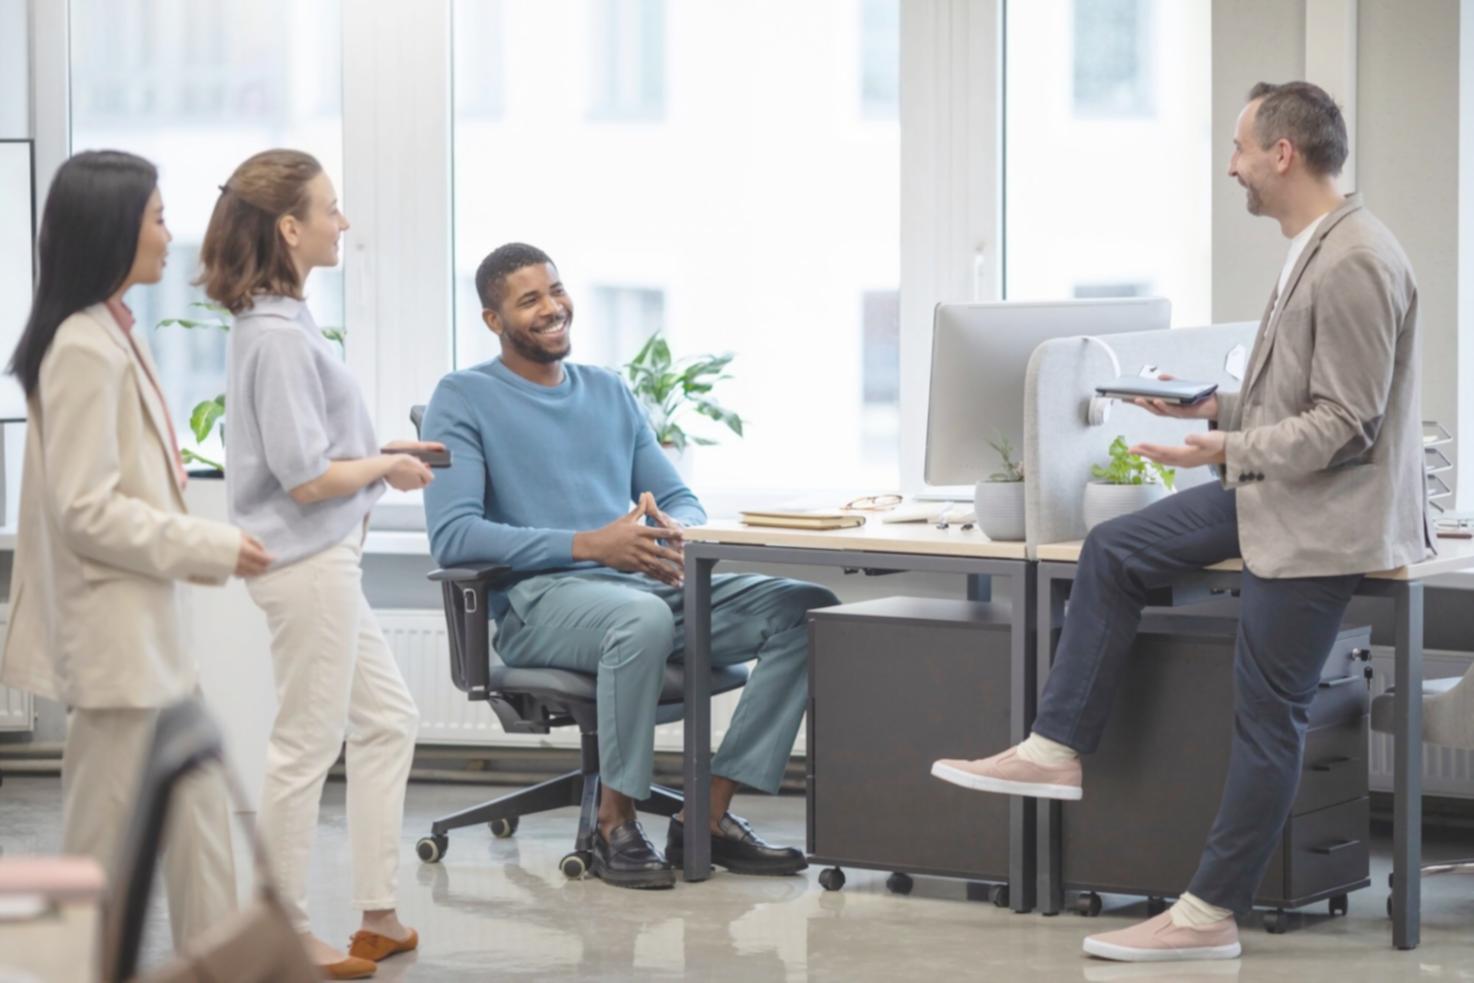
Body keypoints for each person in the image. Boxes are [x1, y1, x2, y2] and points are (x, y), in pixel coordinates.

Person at [932, 81, 1429, 962]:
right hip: (1274, 491)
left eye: (1240, 147)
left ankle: (1208, 916)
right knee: (1118, 548)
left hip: (1320, 521)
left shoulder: (1356, 258)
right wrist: (1218, 403)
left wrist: (1224, 448)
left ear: (1284, 153)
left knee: (1266, 712)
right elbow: (1308, 394)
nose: (1231, 164)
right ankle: (1056, 747)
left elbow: (1347, 423)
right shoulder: (1315, 244)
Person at [421, 242, 839, 890]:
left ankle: (708, 816)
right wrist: (590, 544)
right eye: (528, 299)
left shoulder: (609, 391)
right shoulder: (463, 397)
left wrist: (673, 533)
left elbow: (679, 497)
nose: (552, 307)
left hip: (634, 588)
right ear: (492, 320)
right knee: (638, 617)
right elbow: (455, 535)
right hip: (540, 603)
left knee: (802, 608)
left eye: (555, 290)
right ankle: (613, 823)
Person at [0, 150, 272, 952]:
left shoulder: (110, 333)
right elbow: (87, 512)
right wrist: (211, 545)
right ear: (114, 228)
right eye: (157, 218)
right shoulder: (83, 347)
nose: (169, 234)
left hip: (151, 649)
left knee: (203, 843)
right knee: (94, 864)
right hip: (119, 655)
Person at [199, 149, 435, 980]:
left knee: (390, 716)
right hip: (308, 565)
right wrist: (386, 467)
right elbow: (304, 479)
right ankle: (280, 928)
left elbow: (309, 454)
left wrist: (377, 451)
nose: (344, 222)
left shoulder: (283, 323)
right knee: (305, 744)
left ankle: (375, 911)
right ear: (290, 227)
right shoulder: (275, 336)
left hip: (322, 559)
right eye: (331, 209)